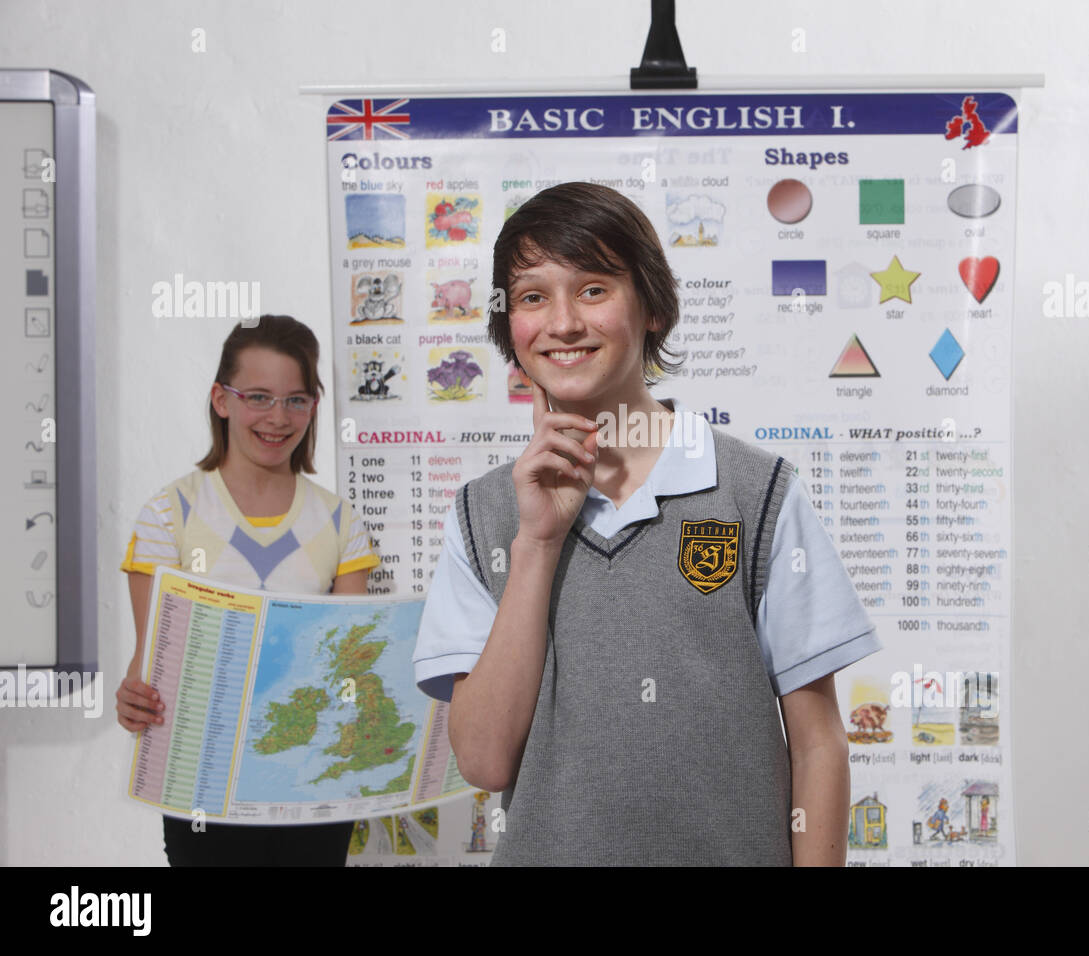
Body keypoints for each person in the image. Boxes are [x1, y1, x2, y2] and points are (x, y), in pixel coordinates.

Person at [412, 182, 882, 866]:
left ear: (653, 307)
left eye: (594, 289)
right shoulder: (483, 512)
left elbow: (818, 743)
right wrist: (538, 543)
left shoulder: (757, 492)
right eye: (533, 296)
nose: (563, 323)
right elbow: (484, 761)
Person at [116, 314, 380, 866]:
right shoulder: (169, 515)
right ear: (221, 399)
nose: (278, 418)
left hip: (311, 787)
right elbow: (150, 667)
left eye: (297, 400)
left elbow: (350, 668)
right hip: (202, 788)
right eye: (258, 396)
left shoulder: (340, 521)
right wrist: (135, 698)